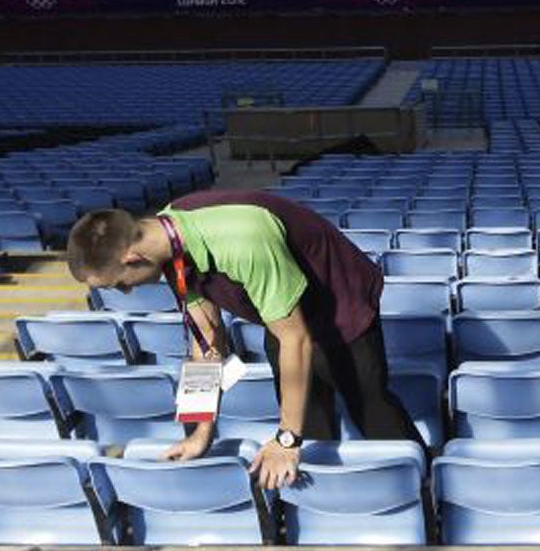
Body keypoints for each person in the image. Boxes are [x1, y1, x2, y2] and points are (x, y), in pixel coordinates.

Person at [65, 191, 419, 489]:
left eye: (120, 284)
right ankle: (325, 497)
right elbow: (206, 342)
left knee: (370, 407)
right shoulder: (167, 243)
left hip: (339, 301)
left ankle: (418, 483)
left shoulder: (244, 239)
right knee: (305, 416)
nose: (127, 292)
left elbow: (296, 340)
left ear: (132, 258)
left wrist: (286, 440)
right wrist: (201, 432)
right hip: (280, 308)